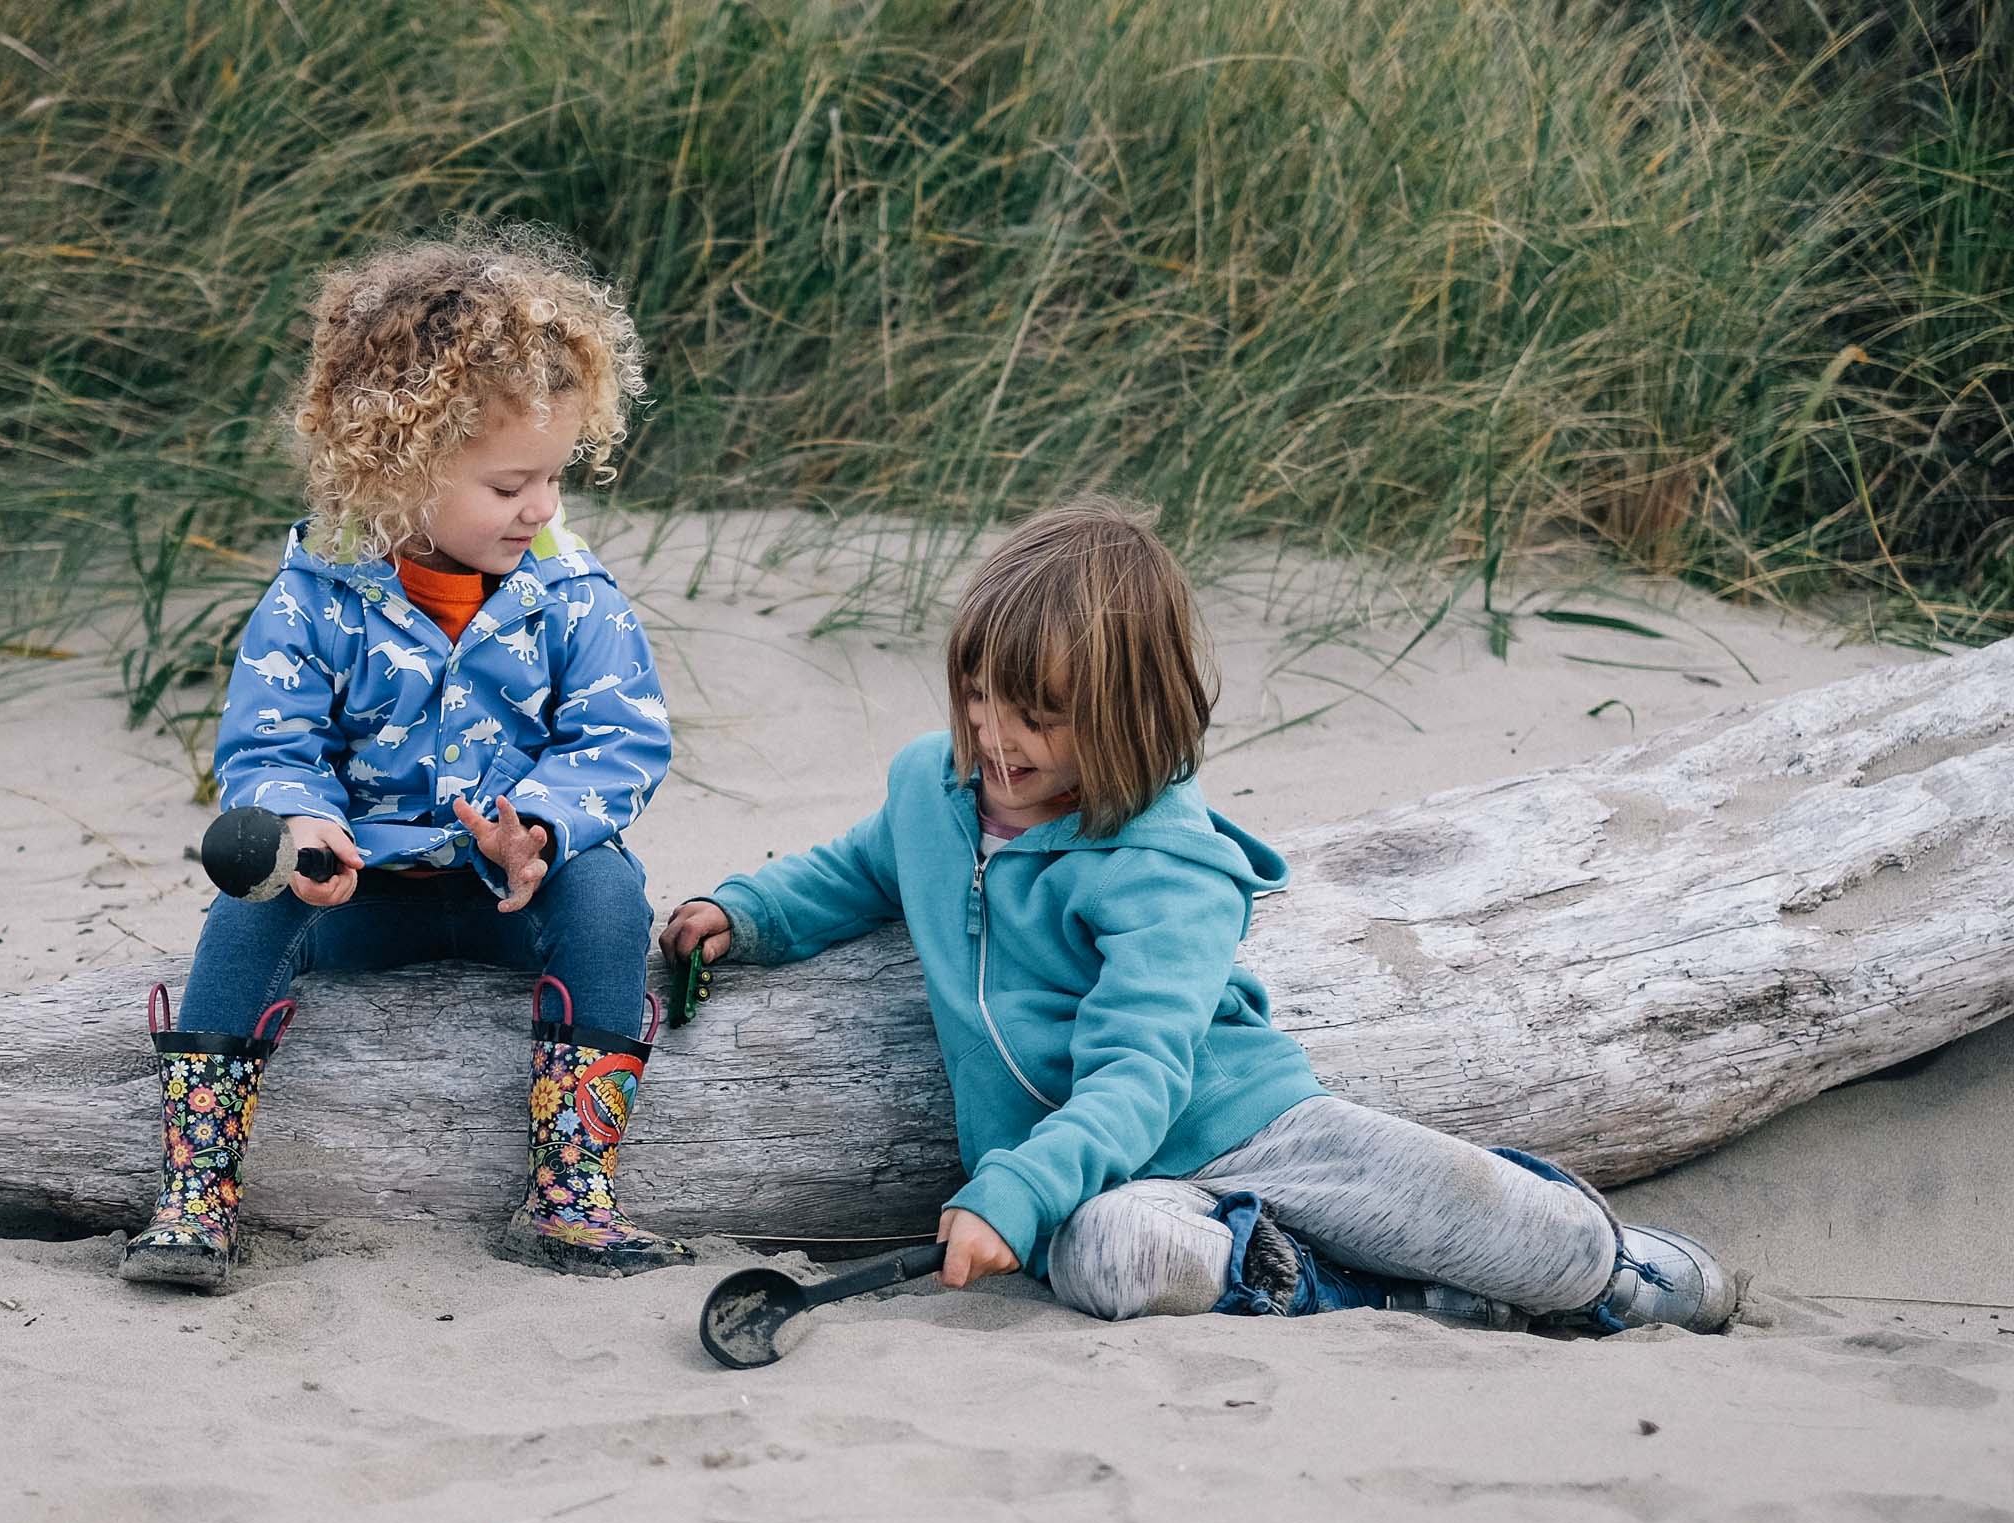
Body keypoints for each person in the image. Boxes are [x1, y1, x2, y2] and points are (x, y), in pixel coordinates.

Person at [663, 497, 1733, 1334]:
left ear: (1129, 717)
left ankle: (1614, 1271)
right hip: (1105, 1183)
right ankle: (1351, 1289)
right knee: (1111, 1262)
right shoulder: (927, 789)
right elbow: (853, 872)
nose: (994, 736)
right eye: (978, 695)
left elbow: (1139, 1076)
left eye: (1039, 717)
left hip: (1248, 1126)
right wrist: (744, 912)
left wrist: (1017, 1186)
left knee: (1486, 1215)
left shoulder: (1167, 867)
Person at [122, 229, 689, 1291]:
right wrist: (307, 825)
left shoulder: (570, 596)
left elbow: (619, 740)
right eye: (510, 483)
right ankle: (196, 1196)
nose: (541, 508)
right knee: (247, 907)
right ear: (397, 465)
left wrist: (542, 828)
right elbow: (271, 741)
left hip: (506, 886)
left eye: (555, 477)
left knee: (610, 896)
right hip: (360, 889)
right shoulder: (313, 598)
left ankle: (571, 1194)